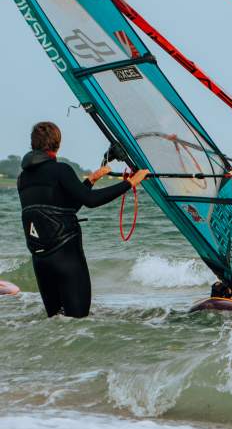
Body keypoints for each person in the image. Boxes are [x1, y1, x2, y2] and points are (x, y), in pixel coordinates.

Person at [18, 121, 149, 318]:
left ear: (33, 144)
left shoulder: (23, 178)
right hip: (66, 259)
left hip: (41, 261)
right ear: (57, 144)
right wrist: (130, 183)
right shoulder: (61, 170)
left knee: (56, 324)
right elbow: (91, 201)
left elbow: (63, 208)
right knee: (78, 323)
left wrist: (91, 180)